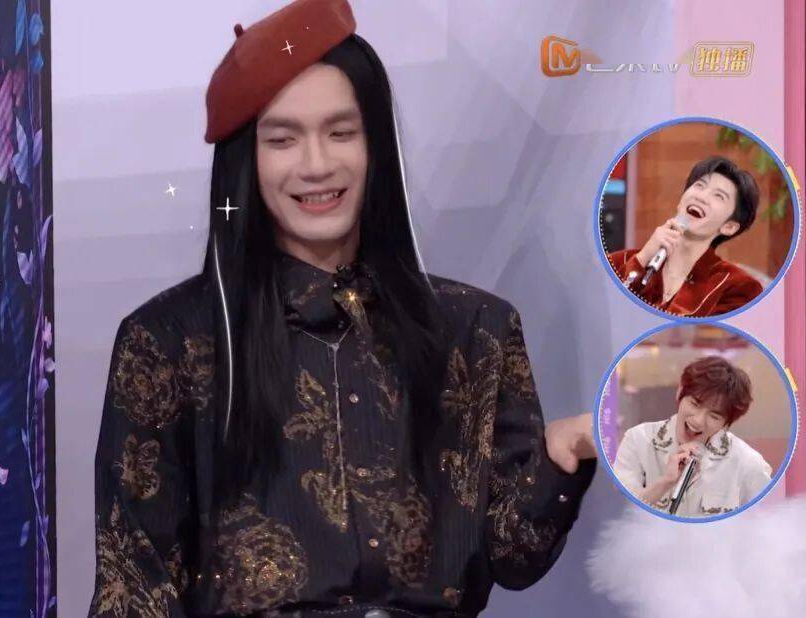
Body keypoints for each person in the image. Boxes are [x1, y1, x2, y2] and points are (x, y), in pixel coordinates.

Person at [89, 1, 597, 615]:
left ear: (376, 145)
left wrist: (561, 455)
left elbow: (514, 555)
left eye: (341, 132)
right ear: (247, 160)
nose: (317, 165)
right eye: (283, 139)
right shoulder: (170, 341)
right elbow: (135, 584)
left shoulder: (475, 329)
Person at [612, 356, 772, 517]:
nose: (698, 421)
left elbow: (765, 523)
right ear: (680, 392)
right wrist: (665, 482)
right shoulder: (638, 440)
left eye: (714, 416)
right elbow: (622, 516)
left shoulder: (749, 464)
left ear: (726, 423)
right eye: (695, 404)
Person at [606, 155, 762, 317]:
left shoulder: (737, 287)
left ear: (729, 227)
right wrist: (643, 258)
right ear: (681, 201)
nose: (701, 197)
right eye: (700, 185)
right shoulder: (616, 263)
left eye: (718, 196)